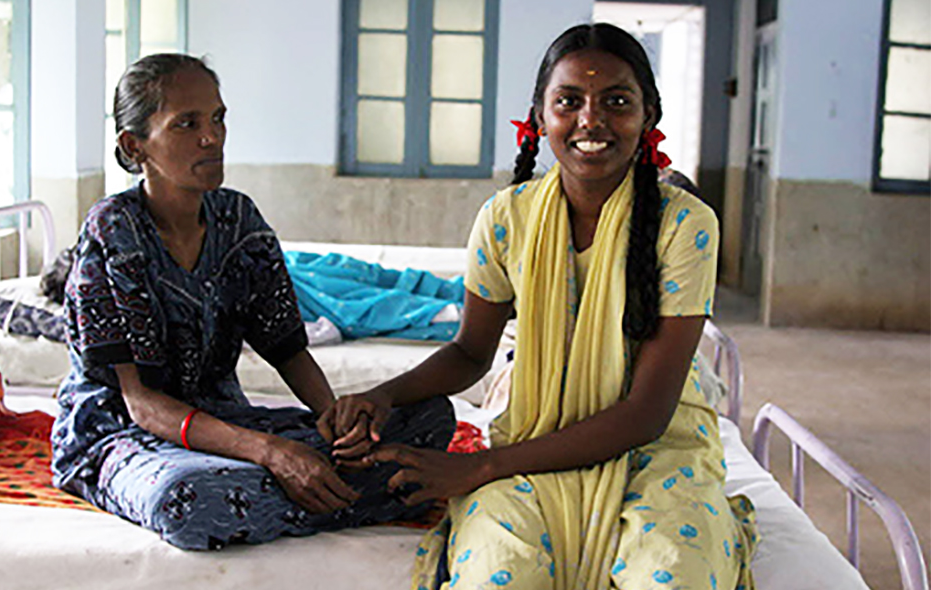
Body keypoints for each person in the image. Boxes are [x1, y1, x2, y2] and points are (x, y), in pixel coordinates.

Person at [322, 23, 758, 589]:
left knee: (673, 573)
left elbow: (648, 413)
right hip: (533, 432)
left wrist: (479, 467)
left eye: (616, 102)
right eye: (569, 101)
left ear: (648, 115)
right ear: (540, 115)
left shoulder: (685, 225)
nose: (591, 120)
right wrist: (381, 395)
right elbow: (470, 352)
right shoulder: (506, 219)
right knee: (496, 573)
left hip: (661, 447)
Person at [50, 53, 455, 551]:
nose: (211, 137)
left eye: (218, 118)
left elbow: (287, 349)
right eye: (187, 124)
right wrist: (273, 454)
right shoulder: (115, 231)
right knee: (184, 501)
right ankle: (379, 495)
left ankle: (326, 488)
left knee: (432, 417)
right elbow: (142, 405)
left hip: (223, 426)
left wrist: (335, 424)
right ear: (135, 146)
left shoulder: (238, 219)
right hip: (125, 436)